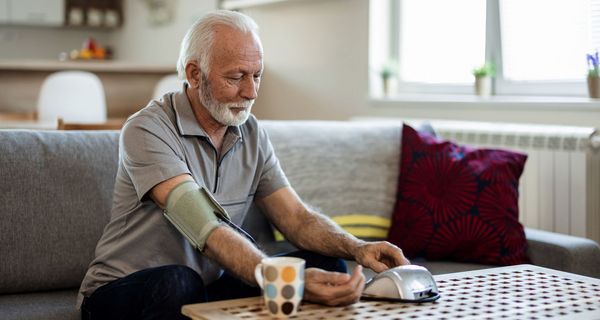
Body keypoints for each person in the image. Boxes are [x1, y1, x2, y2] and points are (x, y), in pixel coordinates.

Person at [78, 10, 409, 320]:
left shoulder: (251, 134)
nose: (250, 92)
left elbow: (296, 218)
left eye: (257, 76)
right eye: (236, 77)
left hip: (208, 285)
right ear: (195, 74)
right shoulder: (147, 129)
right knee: (179, 283)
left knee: (330, 266)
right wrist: (277, 277)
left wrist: (358, 247)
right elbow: (202, 225)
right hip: (122, 292)